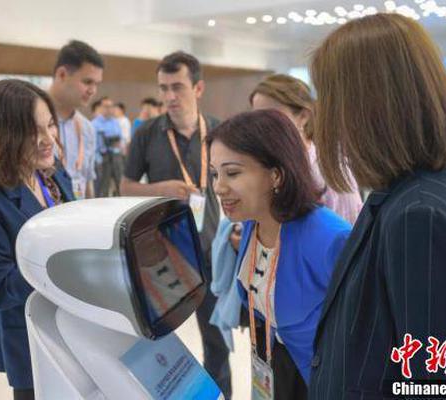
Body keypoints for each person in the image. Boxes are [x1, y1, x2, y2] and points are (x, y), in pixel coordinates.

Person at [307, 14, 446, 399]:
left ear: (367, 106)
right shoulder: (430, 183)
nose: (325, 116)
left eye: (331, 98)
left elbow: (437, 385)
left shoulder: (418, 213)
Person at [208, 109, 350, 399]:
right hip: (274, 363)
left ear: (276, 175)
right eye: (214, 174)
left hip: (320, 379)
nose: (218, 187)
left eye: (232, 173)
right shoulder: (253, 222)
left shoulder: (329, 237)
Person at [121, 51, 232, 398]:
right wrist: (161, 190)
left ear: (198, 88)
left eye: (177, 87)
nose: (169, 96)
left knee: (217, 341)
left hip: (210, 251)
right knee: (159, 344)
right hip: (161, 258)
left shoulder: (218, 131)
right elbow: (125, 187)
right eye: (163, 88)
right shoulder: (147, 133)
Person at [0, 79, 74, 400]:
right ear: (4, 134)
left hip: (75, 327)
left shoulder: (52, 174)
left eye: (50, 125)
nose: (48, 139)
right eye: (34, 130)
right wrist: (62, 266)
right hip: (30, 338)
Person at [250, 74, 363, 224]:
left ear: (303, 117)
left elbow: (350, 226)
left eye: (272, 115)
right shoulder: (258, 164)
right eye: (256, 116)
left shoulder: (331, 168)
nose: (261, 125)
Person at [49, 40, 103, 199]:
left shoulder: (87, 128)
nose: (93, 91)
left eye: (96, 84)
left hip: (77, 209)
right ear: (62, 74)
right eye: (87, 82)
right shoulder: (30, 121)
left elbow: (87, 182)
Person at [92, 97, 123, 197]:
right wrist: (98, 160)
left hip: (116, 156)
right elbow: (92, 144)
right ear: (100, 107)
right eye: (106, 106)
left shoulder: (115, 122)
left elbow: (120, 140)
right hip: (102, 157)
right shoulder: (94, 124)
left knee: (120, 185)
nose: (109, 109)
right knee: (102, 188)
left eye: (111, 106)